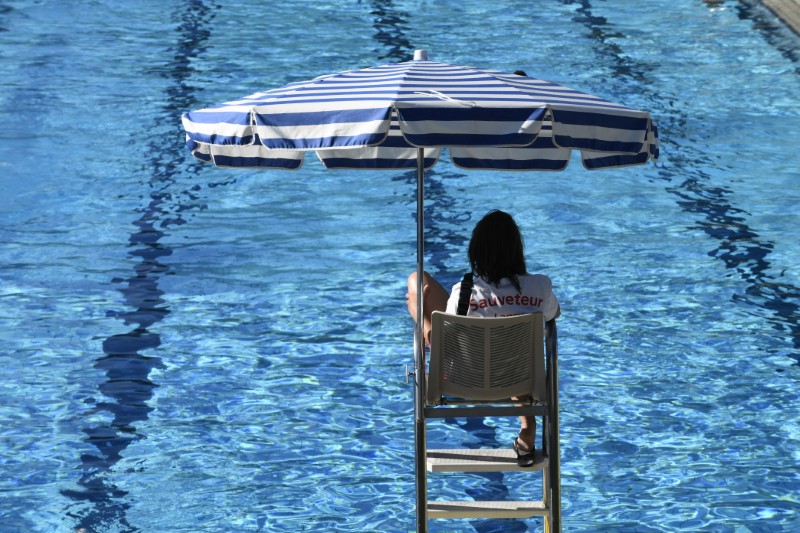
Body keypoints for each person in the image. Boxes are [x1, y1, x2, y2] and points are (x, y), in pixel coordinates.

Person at [406, 209, 560, 467]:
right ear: (516, 251)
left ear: (476, 251)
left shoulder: (464, 291)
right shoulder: (540, 286)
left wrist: (419, 316)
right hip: (520, 379)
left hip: (465, 382)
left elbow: (444, 346)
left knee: (417, 282)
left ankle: (419, 311)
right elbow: (554, 316)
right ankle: (527, 426)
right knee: (511, 353)